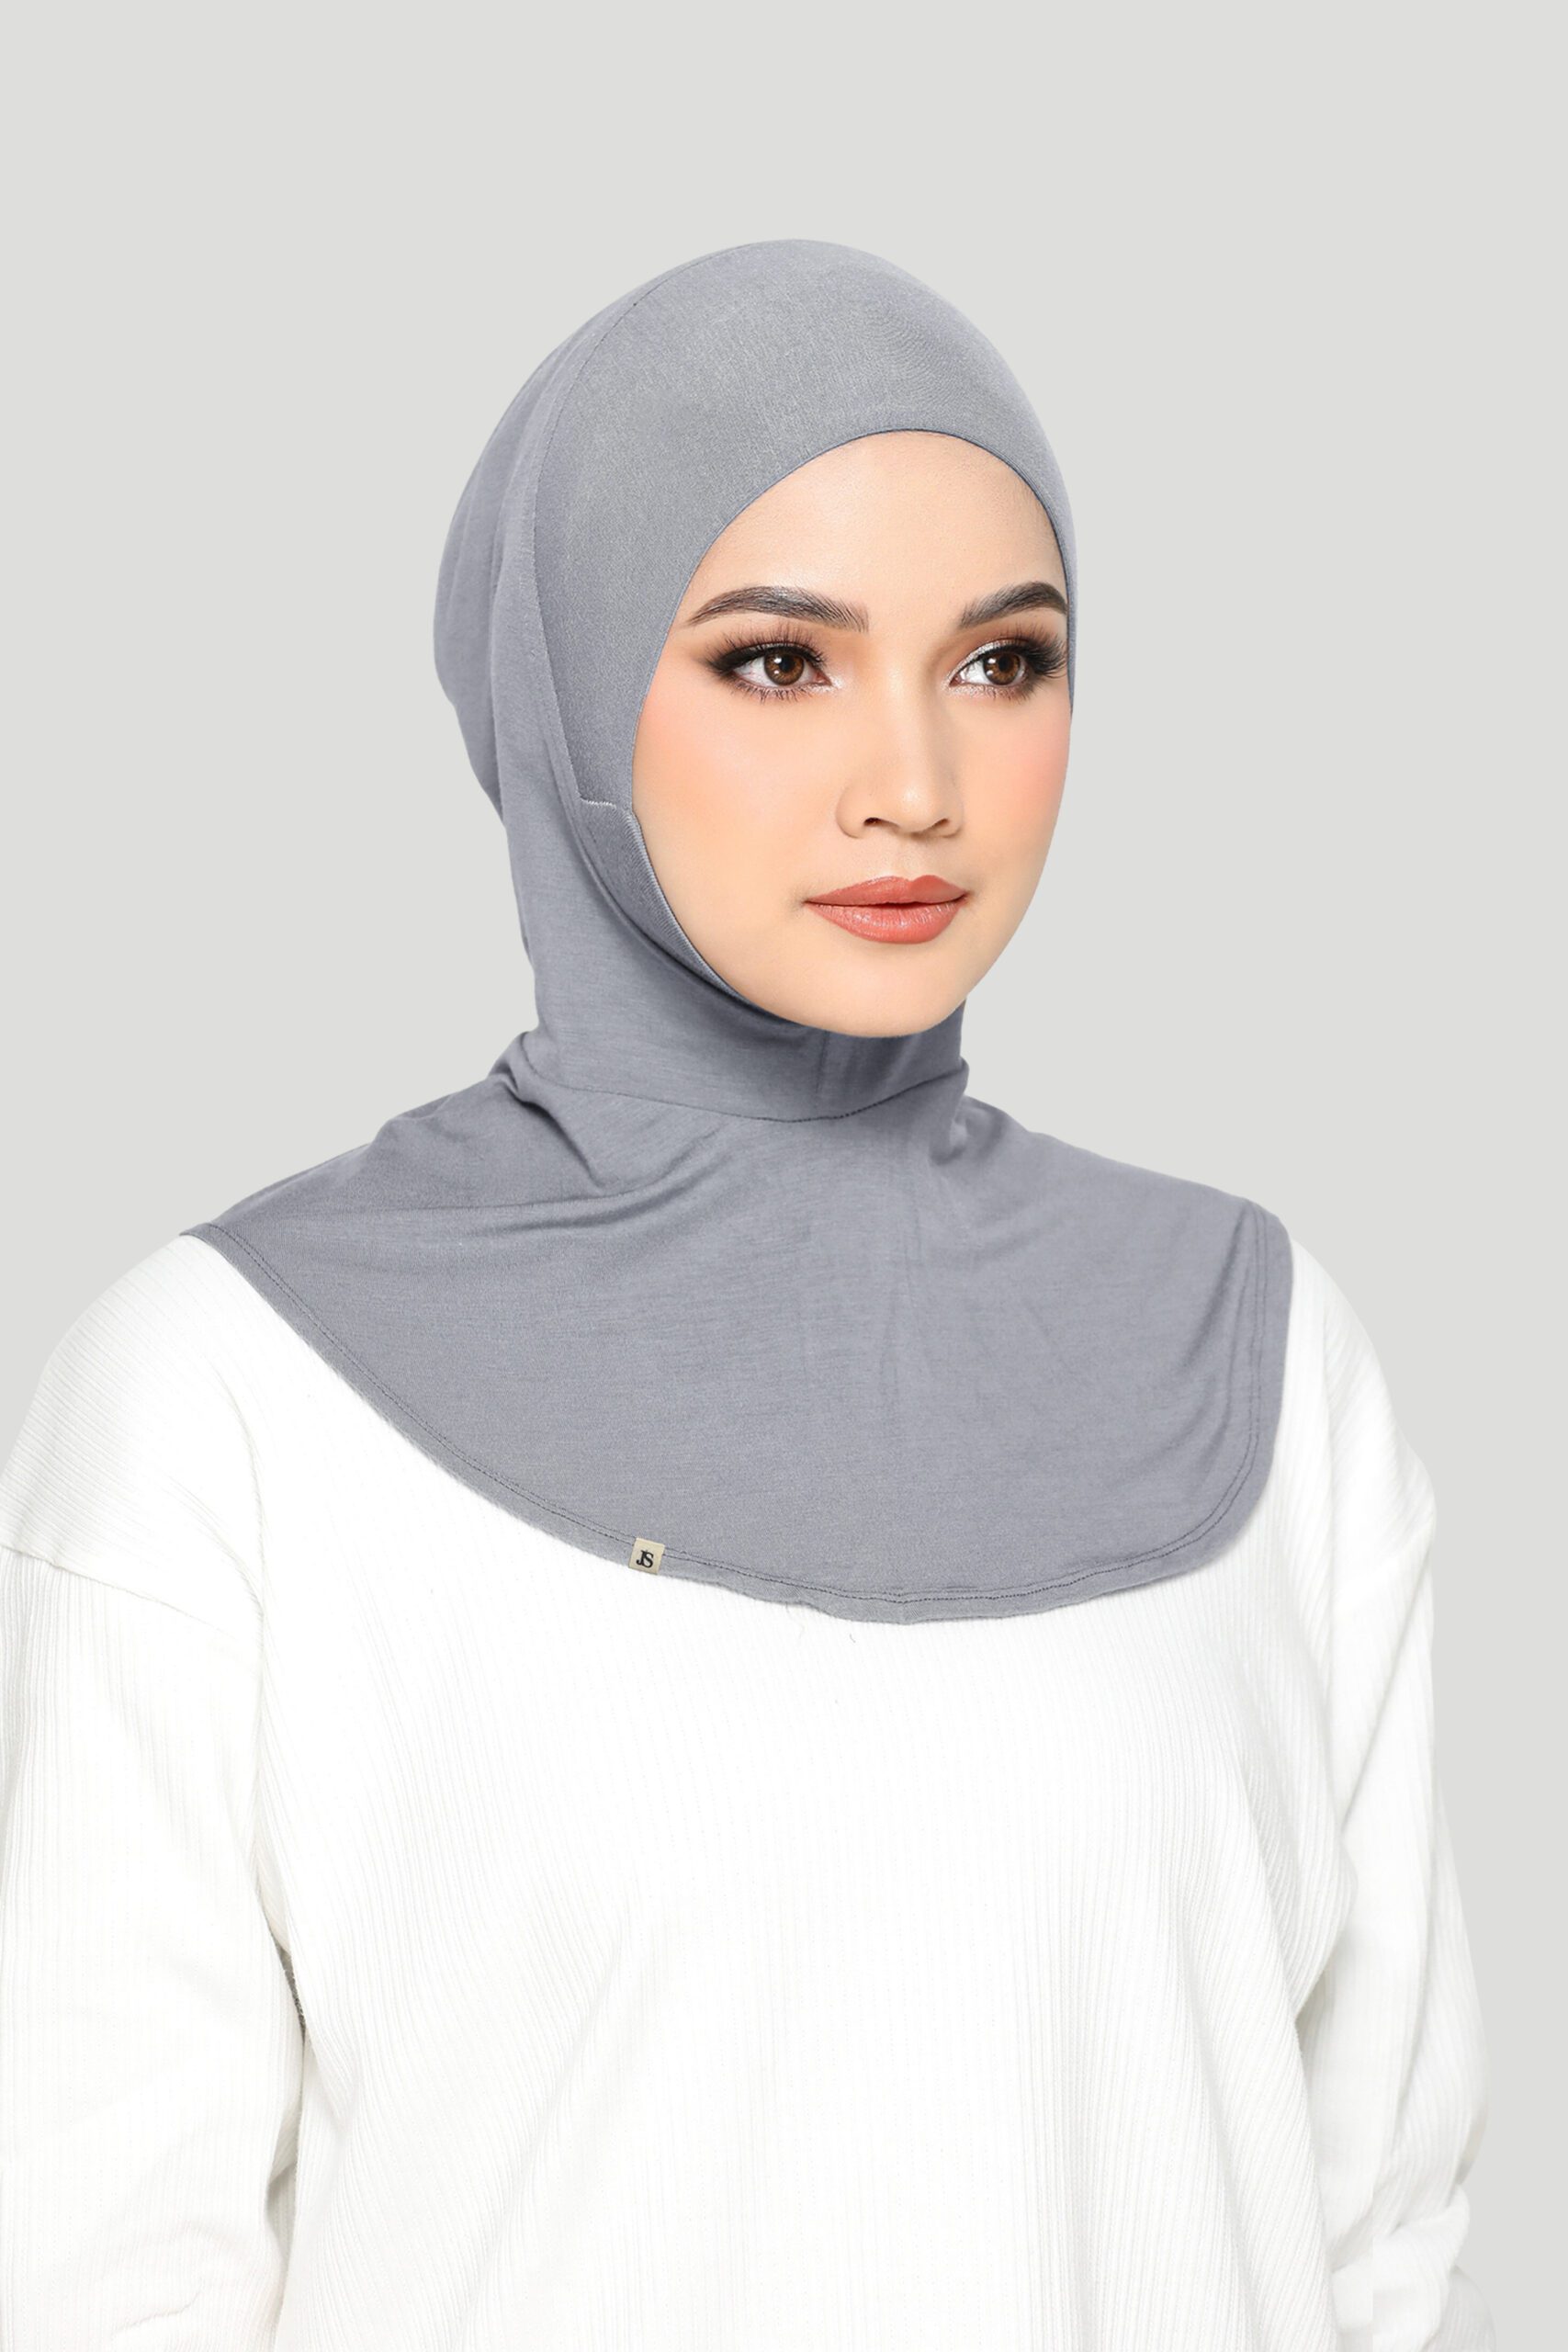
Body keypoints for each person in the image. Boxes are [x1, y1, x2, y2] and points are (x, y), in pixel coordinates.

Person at [0, 239, 1492, 2350]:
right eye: (779, 662)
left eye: (1000, 660)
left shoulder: (1247, 1351)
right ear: (568, 682)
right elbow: (97, 2273)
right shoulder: (226, 1396)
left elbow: (1379, 2243)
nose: (915, 782)